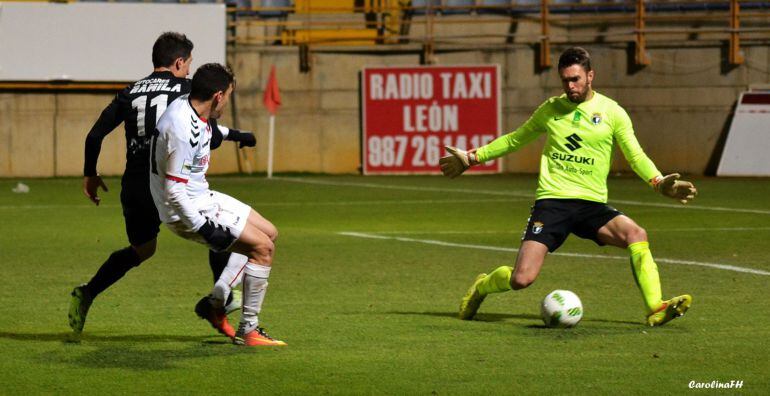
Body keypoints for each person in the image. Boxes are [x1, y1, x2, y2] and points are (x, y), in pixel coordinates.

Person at [440, 47, 698, 327]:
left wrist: (658, 182)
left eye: (575, 79)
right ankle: (482, 286)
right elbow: (516, 139)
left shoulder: (612, 112)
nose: (570, 86)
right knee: (522, 279)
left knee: (636, 234)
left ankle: (655, 307)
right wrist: (473, 157)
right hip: (553, 203)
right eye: (565, 80)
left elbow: (634, 155)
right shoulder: (552, 109)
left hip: (591, 205)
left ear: (590, 75)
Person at [69, 32, 257, 334]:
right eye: (189, 65)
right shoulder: (187, 91)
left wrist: (90, 174)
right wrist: (238, 136)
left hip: (136, 186)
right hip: (169, 179)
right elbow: (206, 135)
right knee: (218, 230)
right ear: (179, 62)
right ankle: (221, 302)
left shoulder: (130, 91)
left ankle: (88, 292)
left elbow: (94, 136)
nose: (190, 72)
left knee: (142, 250)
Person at [150, 63, 285, 346]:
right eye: (228, 95)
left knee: (270, 232)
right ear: (218, 96)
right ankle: (249, 330)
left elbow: (209, 128)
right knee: (263, 249)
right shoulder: (181, 128)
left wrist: (237, 135)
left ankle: (217, 300)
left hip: (201, 195)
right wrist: (205, 229)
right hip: (185, 209)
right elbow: (174, 192)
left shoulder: (190, 107)